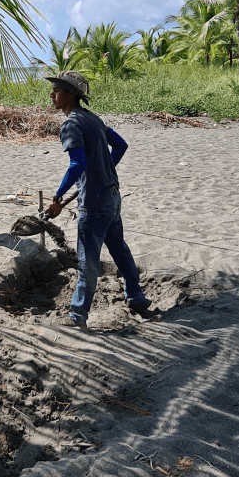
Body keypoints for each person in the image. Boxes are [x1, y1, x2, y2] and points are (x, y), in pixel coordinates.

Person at [44, 70, 153, 329]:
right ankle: (136, 297)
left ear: (71, 95)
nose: (52, 94)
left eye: (57, 90)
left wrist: (58, 198)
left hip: (94, 204)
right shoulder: (93, 119)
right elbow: (121, 146)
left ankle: (77, 316)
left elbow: (77, 164)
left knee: (88, 262)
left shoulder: (71, 123)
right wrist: (105, 171)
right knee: (120, 250)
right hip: (112, 196)